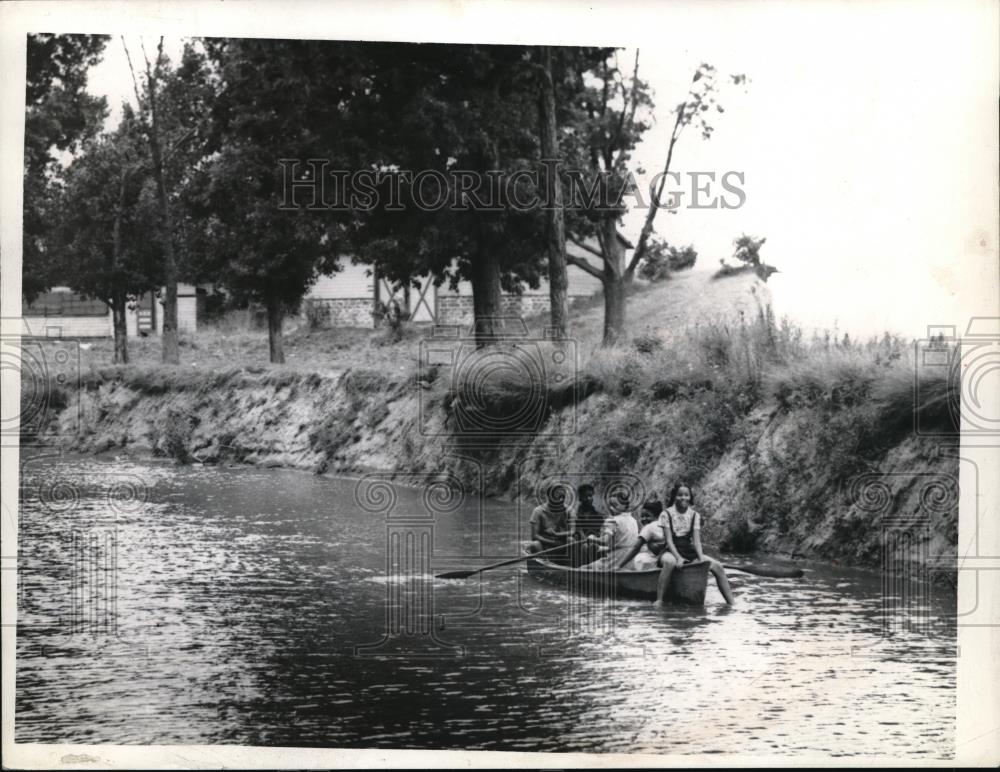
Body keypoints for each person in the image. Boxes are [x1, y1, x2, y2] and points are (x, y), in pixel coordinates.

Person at [654, 482, 735, 606]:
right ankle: (659, 599)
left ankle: (731, 603)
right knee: (670, 563)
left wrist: (702, 559)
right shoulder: (666, 514)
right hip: (670, 550)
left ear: (690, 497)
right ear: (674, 497)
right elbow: (669, 541)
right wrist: (679, 558)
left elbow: (697, 541)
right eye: (680, 495)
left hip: (688, 549)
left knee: (717, 566)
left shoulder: (694, 515)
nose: (683, 498)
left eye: (686, 495)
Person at [582, 491, 640, 571]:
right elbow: (623, 543)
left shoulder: (613, 520)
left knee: (584, 568)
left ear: (625, 505)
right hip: (630, 558)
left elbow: (604, 541)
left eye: (615, 505)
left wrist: (592, 538)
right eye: (610, 505)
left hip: (617, 558)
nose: (611, 508)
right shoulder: (633, 520)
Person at [528, 483, 574, 562]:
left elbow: (573, 531)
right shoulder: (538, 511)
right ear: (549, 497)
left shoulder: (569, 511)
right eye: (558, 497)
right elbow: (534, 536)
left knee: (571, 540)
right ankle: (545, 564)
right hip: (545, 546)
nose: (561, 500)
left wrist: (557, 535)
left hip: (562, 545)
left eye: (563, 497)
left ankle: (570, 565)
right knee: (535, 544)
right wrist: (552, 542)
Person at [567, 483, 604, 566]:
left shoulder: (597, 515)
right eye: (585, 496)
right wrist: (589, 540)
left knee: (593, 546)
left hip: (594, 541)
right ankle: (580, 569)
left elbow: (600, 532)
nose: (588, 499)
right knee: (585, 547)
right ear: (580, 498)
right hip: (580, 542)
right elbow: (579, 532)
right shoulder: (575, 514)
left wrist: (596, 539)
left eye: (590, 496)